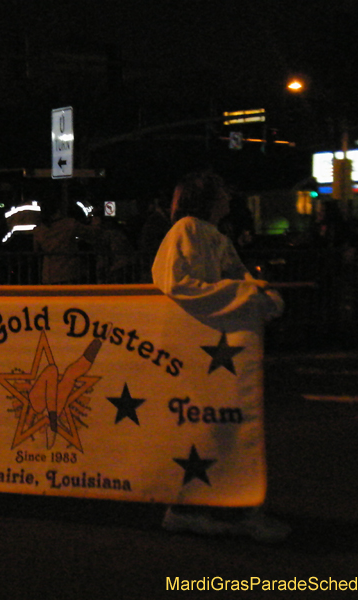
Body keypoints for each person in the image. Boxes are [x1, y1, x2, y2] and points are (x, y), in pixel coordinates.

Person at [151, 170, 289, 543]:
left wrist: (257, 295)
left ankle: (206, 508)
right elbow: (177, 283)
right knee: (211, 427)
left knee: (225, 426)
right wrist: (243, 295)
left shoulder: (214, 236)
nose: (229, 199)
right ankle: (205, 509)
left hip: (219, 349)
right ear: (208, 198)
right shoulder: (186, 231)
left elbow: (238, 280)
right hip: (199, 348)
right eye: (223, 193)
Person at [32, 193, 98, 284]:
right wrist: (95, 220)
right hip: (69, 271)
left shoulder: (39, 229)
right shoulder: (69, 224)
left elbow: (36, 250)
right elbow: (92, 233)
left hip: (49, 273)